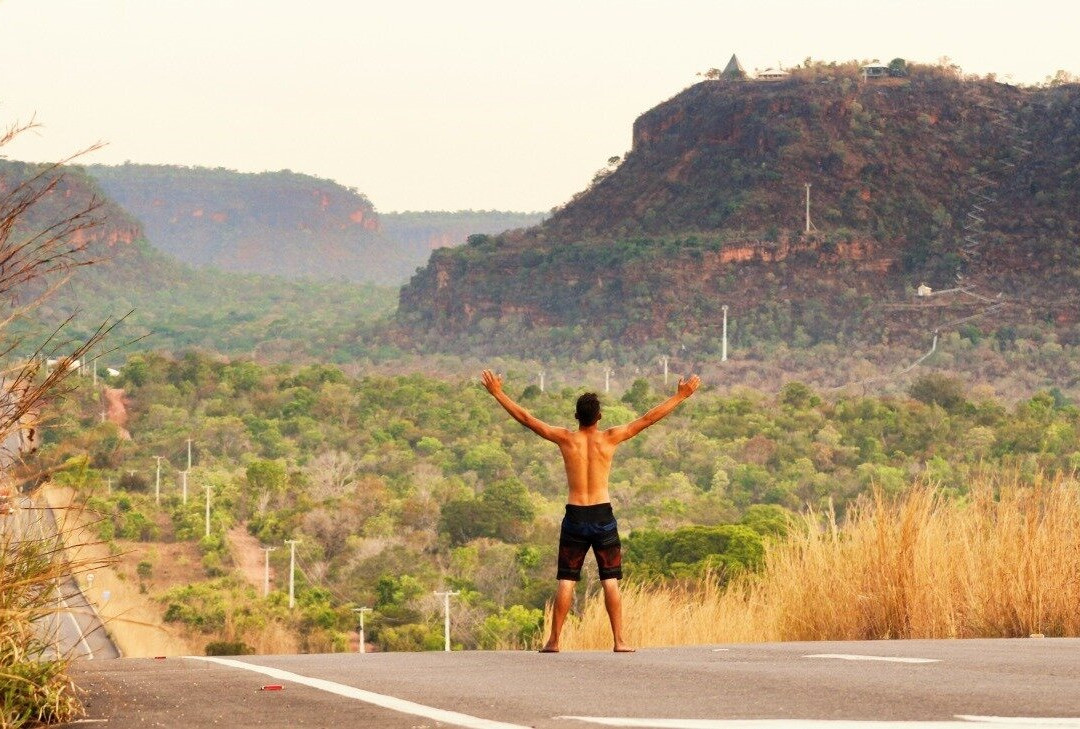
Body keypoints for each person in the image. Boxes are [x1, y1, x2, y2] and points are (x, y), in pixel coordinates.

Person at [480, 369, 700, 652]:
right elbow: (647, 419)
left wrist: (498, 392)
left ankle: (554, 641)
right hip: (602, 516)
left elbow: (526, 418)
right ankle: (619, 641)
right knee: (610, 579)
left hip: (575, 516)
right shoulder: (609, 438)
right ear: (599, 417)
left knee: (566, 580)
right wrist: (680, 396)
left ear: (576, 417)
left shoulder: (565, 439)